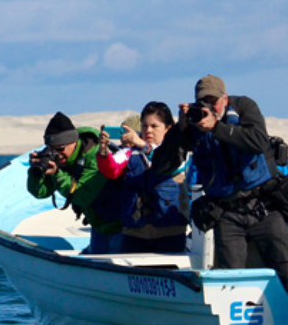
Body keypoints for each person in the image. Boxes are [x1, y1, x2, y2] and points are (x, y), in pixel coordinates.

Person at [154, 75, 288, 291]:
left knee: (287, 275)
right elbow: (161, 166)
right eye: (204, 101)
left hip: (264, 208)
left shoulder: (244, 107)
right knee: (231, 282)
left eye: (214, 101)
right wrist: (179, 130)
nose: (209, 107)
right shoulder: (195, 123)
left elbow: (258, 141)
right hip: (227, 213)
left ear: (225, 99)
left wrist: (216, 128)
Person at [97, 102, 190, 253]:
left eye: (154, 126)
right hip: (135, 235)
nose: (148, 131)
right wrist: (103, 152)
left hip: (170, 234)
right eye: (145, 126)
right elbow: (110, 170)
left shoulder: (178, 151)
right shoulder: (130, 152)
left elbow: (166, 163)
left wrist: (142, 145)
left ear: (168, 129)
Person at [27, 112, 123, 254]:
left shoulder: (95, 154)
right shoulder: (62, 158)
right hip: (99, 225)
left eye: (60, 149)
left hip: (122, 227)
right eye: (52, 150)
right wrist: (35, 172)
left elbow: (83, 196)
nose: (58, 155)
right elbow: (40, 192)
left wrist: (57, 174)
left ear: (74, 142)